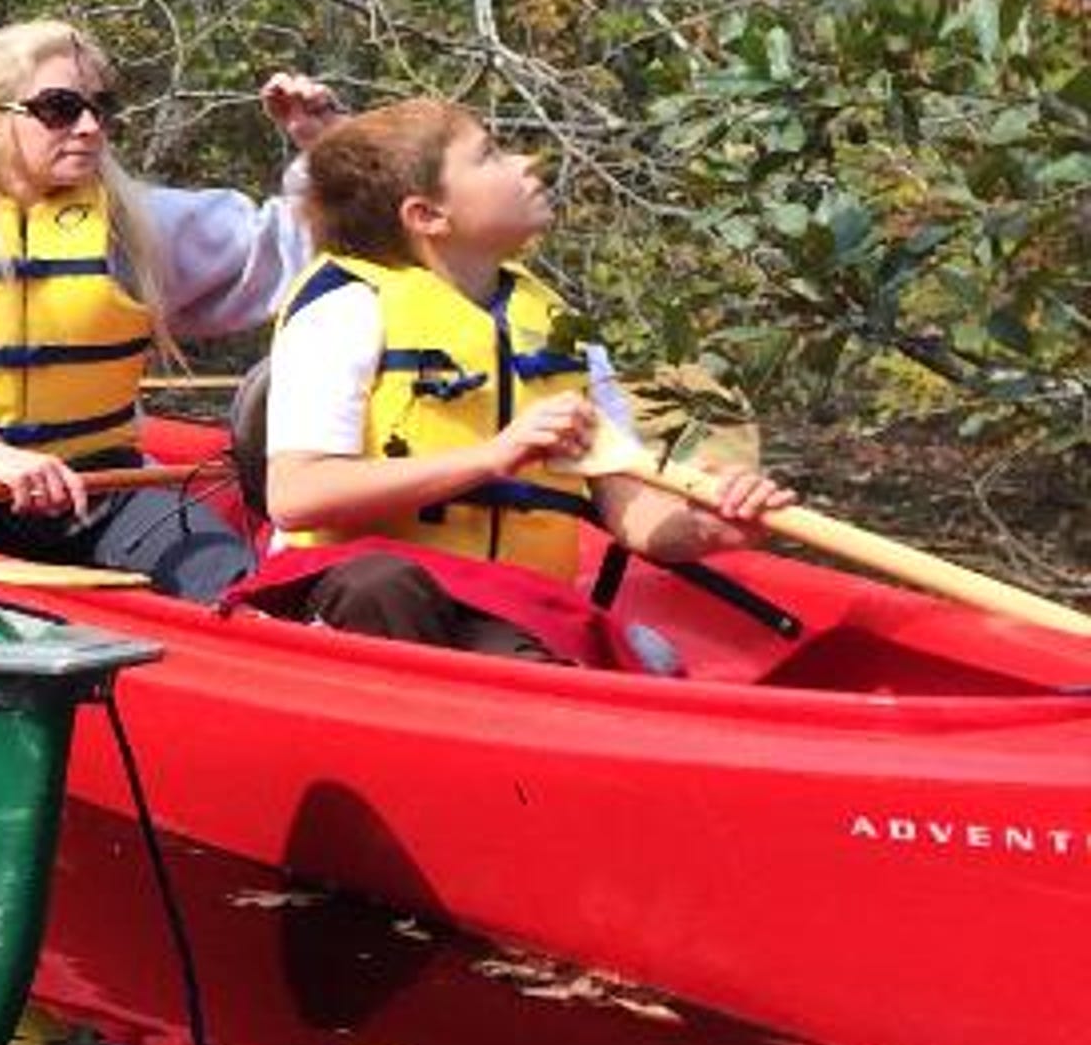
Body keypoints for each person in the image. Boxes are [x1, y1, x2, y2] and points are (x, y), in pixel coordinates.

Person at [0, 20, 342, 600]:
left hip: (97, 496)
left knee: (232, 583)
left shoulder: (135, 226)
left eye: (99, 107)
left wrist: (329, 149)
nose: (88, 126)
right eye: (58, 108)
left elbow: (292, 244)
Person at [254, 97, 793, 661]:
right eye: (489, 156)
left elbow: (633, 511)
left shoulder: (561, 329)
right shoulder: (346, 308)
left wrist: (712, 528)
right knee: (384, 585)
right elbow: (297, 495)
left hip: (504, 601)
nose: (527, 162)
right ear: (427, 216)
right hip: (346, 593)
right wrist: (493, 457)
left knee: (531, 654)